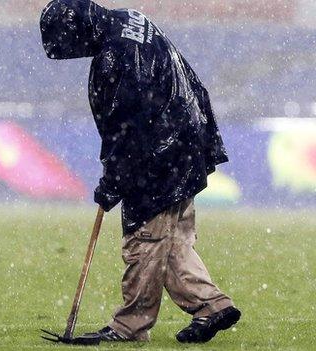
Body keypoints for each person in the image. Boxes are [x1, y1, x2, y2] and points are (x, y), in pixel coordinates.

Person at [40, 0, 241, 344]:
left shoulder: (115, 56)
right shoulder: (131, 20)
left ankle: (130, 326)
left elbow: (126, 126)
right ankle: (211, 305)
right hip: (187, 143)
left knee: (144, 242)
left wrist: (111, 182)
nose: (73, 51)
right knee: (171, 241)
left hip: (158, 157)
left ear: (79, 28)